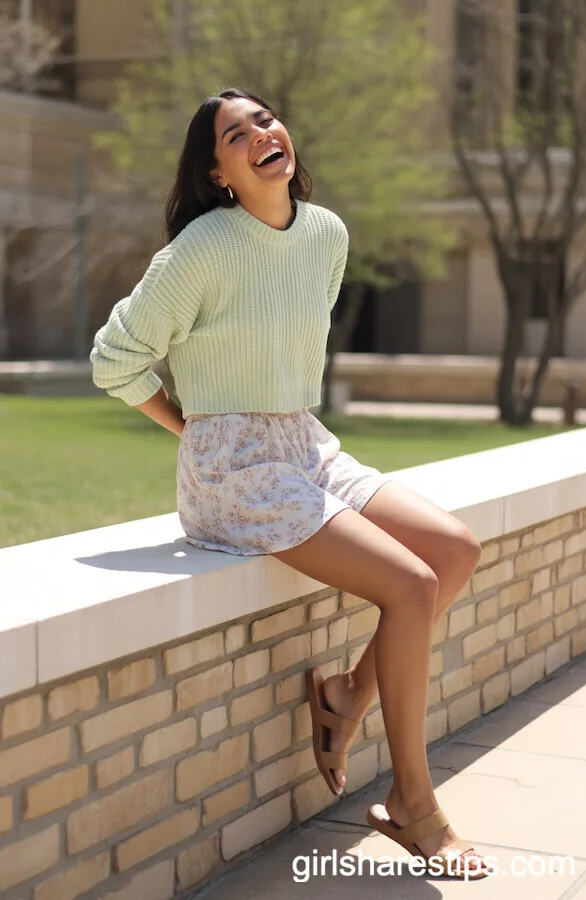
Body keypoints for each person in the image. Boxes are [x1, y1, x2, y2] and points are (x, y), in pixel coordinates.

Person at [90, 88, 487, 878]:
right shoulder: (199, 248)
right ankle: (414, 803)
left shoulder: (326, 234)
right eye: (237, 136)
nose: (260, 136)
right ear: (220, 170)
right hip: (233, 465)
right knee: (409, 586)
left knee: (455, 549)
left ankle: (346, 697)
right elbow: (114, 358)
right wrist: (195, 428)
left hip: (304, 442)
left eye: (265, 121)